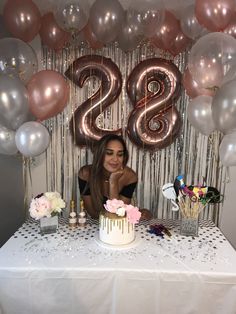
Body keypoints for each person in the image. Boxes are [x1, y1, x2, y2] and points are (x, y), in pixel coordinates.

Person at [78, 134, 152, 220]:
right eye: (109, 153)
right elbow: (94, 214)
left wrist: (113, 181)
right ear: (99, 154)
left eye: (120, 154)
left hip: (119, 229)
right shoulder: (86, 174)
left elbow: (117, 215)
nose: (115, 159)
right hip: (95, 227)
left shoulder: (130, 177)